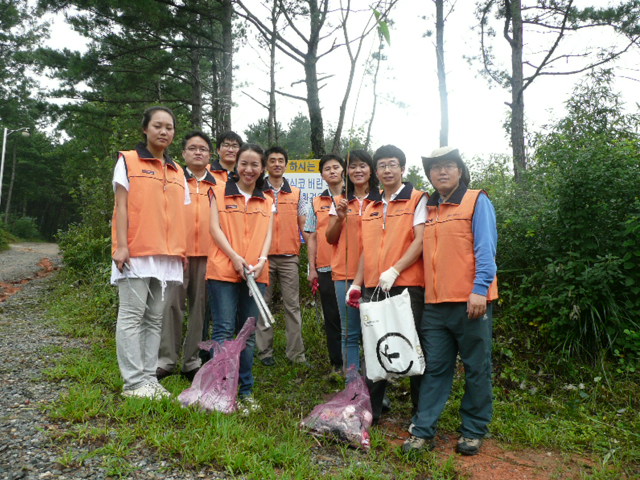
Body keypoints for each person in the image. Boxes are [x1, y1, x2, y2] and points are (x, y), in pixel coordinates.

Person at [403, 147, 498, 456]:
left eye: (448, 166)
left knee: (476, 368)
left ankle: (472, 429)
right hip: (435, 304)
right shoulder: (428, 209)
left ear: (460, 171)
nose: (442, 172)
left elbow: (486, 248)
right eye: (436, 168)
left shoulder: (476, 201)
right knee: (434, 369)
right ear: (430, 175)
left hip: (471, 302)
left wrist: (480, 289)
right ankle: (424, 430)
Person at [111, 106, 189, 399]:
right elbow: (121, 206)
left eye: (169, 127)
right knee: (132, 315)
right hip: (136, 251)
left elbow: (179, 214)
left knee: (155, 317)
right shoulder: (128, 161)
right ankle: (133, 383)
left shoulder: (176, 169)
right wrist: (121, 245)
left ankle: (148, 378)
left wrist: (180, 250)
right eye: (158, 126)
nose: (164, 132)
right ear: (145, 128)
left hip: (166, 255)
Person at [350, 144, 427, 423]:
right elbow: (364, 250)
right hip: (374, 287)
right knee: (374, 347)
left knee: (412, 345)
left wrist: (395, 270)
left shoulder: (417, 199)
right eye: (382, 165)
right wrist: (357, 283)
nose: (387, 170)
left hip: (406, 286)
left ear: (402, 168)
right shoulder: (371, 205)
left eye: (392, 164)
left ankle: (420, 414)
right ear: (376, 171)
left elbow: (420, 240)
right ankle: (373, 410)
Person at [206, 143, 274, 414]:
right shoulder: (219, 191)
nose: (248, 169)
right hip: (224, 269)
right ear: (237, 165)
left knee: (247, 334)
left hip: (256, 273)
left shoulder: (267, 199)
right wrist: (235, 257)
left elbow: (268, 234)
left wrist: (262, 261)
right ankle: (219, 390)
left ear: (262, 168)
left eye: (254, 164)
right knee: (223, 330)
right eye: (244, 163)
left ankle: (244, 390)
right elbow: (214, 228)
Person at [157, 132, 217, 382]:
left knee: (199, 310)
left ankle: (191, 361)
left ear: (209, 155)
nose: (198, 152)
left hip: (208, 255)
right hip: (176, 254)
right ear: (183, 153)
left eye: (203, 149)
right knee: (171, 306)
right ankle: (166, 360)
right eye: (192, 148)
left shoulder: (219, 185)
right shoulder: (173, 179)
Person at [326, 150, 381, 375]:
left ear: (371, 170)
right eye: (353, 166)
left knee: (375, 332)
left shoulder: (380, 200)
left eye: (363, 166)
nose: (358, 170)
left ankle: (375, 388)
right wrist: (339, 219)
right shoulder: (340, 201)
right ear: (346, 172)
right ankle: (352, 386)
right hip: (344, 274)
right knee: (349, 333)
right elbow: (330, 238)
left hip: (376, 274)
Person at [256, 146, 309, 366]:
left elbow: (304, 225)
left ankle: (296, 354)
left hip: (289, 257)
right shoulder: (258, 191)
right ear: (266, 165)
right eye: (272, 160)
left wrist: (315, 253)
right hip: (262, 258)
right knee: (263, 305)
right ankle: (264, 353)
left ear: (286, 165)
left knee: (292, 306)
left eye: (281, 160)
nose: (277, 164)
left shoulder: (296, 193)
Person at [304, 154, 345, 372]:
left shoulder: (356, 198)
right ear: (321, 175)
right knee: (332, 317)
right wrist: (312, 267)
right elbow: (311, 235)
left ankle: (361, 364)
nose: (332, 171)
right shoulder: (317, 202)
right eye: (327, 168)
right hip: (326, 267)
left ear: (343, 171)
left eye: (336, 167)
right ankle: (337, 363)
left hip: (351, 268)